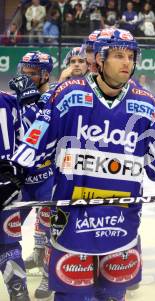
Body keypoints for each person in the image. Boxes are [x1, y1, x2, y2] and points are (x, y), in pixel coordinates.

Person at [0, 28, 155, 301]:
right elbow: (35, 142)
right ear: (99, 58)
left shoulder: (146, 104)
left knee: (112, 296)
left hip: (121, 225)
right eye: (119, 55)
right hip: (74, 225)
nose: (126, 62)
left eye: (131, 56)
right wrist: (12, 172)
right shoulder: (66, 95)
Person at [9, 51, 57, 301]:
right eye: (23, 72)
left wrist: (28, 100)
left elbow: (36, 131)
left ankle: (51, 275)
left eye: (31, 74)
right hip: (22, 179)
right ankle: (17, 287)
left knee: (53, 232)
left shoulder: (53, 96)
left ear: (45, 74)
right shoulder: (15, 99)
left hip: (48, 176)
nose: (25, 78)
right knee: (6, 233)